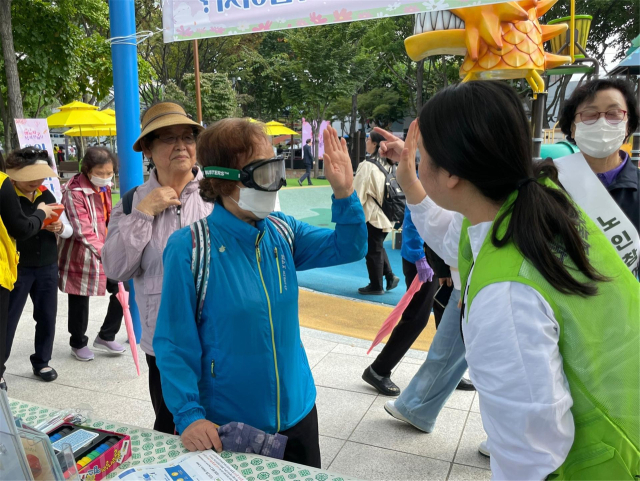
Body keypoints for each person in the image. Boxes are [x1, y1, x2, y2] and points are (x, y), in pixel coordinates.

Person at [386, 81, 638, 479]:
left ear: (452, 172)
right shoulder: (538, 201)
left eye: (424, 153)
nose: (418, 160)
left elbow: (530, 454)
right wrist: (412, 185)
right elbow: (455, 240)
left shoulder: (505, 293)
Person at [153, 120, 367, 468]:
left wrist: (344, 193)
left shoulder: (283, 232)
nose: (276, 183)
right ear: (224, 180)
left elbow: (350, 246)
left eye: (277, 169)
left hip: (299, 413)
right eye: (265, 173)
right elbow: (175, 344)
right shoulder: (190, 248)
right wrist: (189, 415)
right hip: (232, 426)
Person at [102, 101, 212, 434]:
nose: (181, 145)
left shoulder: (219, 194)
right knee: (174, 431)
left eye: (188, 136)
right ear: (148, 148)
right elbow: (116, 268)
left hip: (218, 341)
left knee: (225, 436)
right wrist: (143, 215)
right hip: (164, 346)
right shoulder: (131, 202)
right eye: (167, 138)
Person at [4, 148, 72, 384]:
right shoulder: (7, 195)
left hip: (46, 265)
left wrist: (59, 228)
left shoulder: (47, 195)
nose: (36, 181)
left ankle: (42, 361)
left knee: (46, 316)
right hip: (18, 266)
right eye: (30, 176)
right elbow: (17, 230)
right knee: (7, 319)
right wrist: (39, 219)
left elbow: (67, 228)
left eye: (41, 176)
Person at [362, 206, 439, 395]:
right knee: (416, 317)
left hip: (441, 257)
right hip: (424, 258)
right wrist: (419, 256)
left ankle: (447, 369)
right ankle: (378, 369)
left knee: (446, 314)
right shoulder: (425, 177)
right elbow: (414, 217)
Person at [58, 147, 125, 362]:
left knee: (124, 293)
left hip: (105, 249)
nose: (106, 177)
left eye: (109, 173)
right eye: (101, 173)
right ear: (87, 169)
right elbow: (83, 230)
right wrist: (106, 254)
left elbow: (107, 219)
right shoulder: (74, 192)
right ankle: (77, 343)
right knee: (79, 299)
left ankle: (106, 335)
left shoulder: (104, 187)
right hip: (81, 253)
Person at [558, 77, 639, 233]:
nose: (602, 122)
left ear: (628, 126)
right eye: (590, 114)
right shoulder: (549, 183)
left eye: (614, 113)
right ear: (573, 128)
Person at [353, 131, 400, 295]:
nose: (366, 141)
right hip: (388, 214)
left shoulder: (367, 165)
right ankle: (389, 275)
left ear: (374, 144)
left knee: (372, 251)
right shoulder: (390, 166)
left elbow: (358, 194)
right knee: (377, 246)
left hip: (372, 216)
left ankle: (376, 285)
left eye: (368, 139)